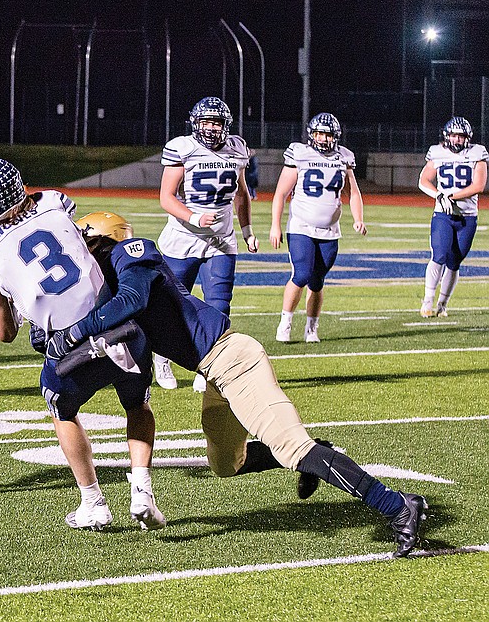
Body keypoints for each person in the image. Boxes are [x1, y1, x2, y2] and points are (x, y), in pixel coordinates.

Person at [48, 211, 428, 558]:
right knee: (227, 463)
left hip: (234, 358)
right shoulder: (108, 282)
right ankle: (315, 457)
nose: (85, 256)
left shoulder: (134, 251)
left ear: (105, 241)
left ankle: (397, 506)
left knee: (294, 447)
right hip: (213, 373)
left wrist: (79, 329)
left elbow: (132, 300)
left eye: (90, 244)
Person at [0, 157, 164, 531]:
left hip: (70, 347)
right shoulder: (53, 200)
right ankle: (142, 492)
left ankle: (93, 501)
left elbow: (5, 332)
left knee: (62, 410)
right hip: (119, 326)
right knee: (137, 403)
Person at [155, 96, 258, 393]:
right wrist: (194, 216)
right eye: (206, 122)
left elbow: (241, 195)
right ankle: (163, 357)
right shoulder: (182, 148)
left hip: (221, 239)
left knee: (219, 304)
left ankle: (208, 364)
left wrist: (248, 231)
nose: (212, 128)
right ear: (195, 123)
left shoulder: (237, 149)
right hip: (183, 238)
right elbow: (166, 197)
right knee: (172, 303)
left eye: (217, 122)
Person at [270, 112, 367, 343]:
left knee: (317, 281)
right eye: (319, 134)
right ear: (312, 134)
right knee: (301, 274)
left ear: (336, 136)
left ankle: (311, 327)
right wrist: (275, 225)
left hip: (330, 231)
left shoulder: (344, 157)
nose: (323, 139)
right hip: (301, 226)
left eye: (328, 134)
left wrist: (358, 218)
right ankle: (286, 322)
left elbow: (353, 191)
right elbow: (281, 193)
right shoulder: (300, 153)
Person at [417, 116, 488, 318]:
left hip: (467, 216)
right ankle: (428, 300)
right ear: (447, 136)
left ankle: (442, 304)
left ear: (468, 138)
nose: (457, 140)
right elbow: (424, 180)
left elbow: (478, 186)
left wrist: (451, 196)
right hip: (443, 214)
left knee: (455, 261)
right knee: (439, 255)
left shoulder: (477, 153)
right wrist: (439, 195)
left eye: (461, 136)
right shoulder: (437, 152)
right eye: (454, 136)